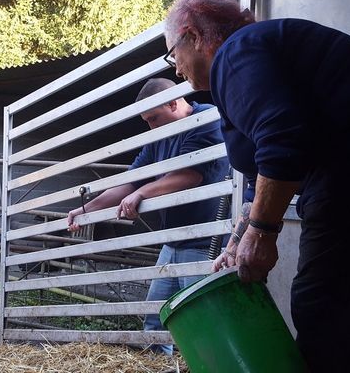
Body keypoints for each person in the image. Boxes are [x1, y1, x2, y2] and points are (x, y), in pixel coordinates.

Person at [163, 0, 350, 372]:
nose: (176, 69)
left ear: (194, 36)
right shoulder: (253, 54)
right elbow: (261, 174)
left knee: (325, 308)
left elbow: (282, 139)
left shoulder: (235, 54)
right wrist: (239, 239)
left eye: (172, 55)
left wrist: (262, 235)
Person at [67, 77, 229, 355]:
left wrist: (142, 193)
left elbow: (190, 174)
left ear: (174, 102)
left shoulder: (206, 120)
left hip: (204, 243)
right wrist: (87, 209)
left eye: (154, 118)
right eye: (147, 121)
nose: (151, 126)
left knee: (204, 321)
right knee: (156, 320)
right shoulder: (158, 138)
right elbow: (132, 180)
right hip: (173, 241)